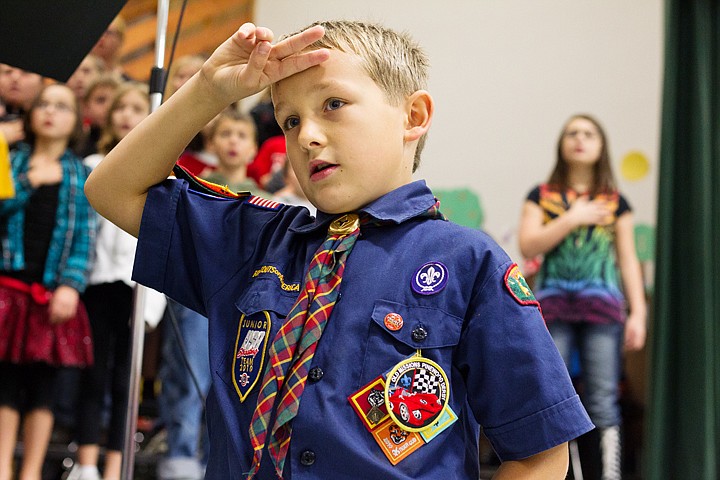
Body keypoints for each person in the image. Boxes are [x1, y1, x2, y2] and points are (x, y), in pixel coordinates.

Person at [85, 21, 594, 479]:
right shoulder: (256, 239)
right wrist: (207, 93)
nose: (306, 135)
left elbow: (540, 454)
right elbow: (111, 189)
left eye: (333, 105)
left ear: (413, 116)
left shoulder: (468, 261)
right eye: (288, 121)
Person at [517, 114, 647, 480]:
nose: (580, 139)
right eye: (572, 132)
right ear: (561, 143)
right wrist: (572, 218)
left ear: (601, 145)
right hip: (553, 309)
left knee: (604, 400)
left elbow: (628, 260)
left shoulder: (615, 202)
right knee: (552, 398)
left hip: (603, 312)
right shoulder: (540, 196)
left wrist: (637, 312)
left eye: (589, 133)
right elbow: (529, 243)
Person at [0, 83, 95, 480]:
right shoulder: (14, 161)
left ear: (76, 120)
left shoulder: (82, 173)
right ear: (31, 114)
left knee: (44, 384)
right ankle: (2, 464)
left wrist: (71, 285)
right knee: (5, 379)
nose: (51, 113)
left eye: (62, 107)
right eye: (43, 105)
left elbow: (84, 238)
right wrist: (28, 182)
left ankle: (32, 470)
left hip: (52, 291)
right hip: (8, 286)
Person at [65, 83, 151, 480]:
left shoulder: (156, 169)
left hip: (138, 288)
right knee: (93, 374)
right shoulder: (93, 164)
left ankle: (116, 466)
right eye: (120, 107)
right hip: (98, 284)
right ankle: (85, 464)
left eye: (137, 108)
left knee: (125, 380)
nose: (127, 116)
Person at [200, 109, 266, 195]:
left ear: (253, 149)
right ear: (210, 144)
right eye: (225, 134)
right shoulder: (194, 190)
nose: (233, 140)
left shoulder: (264, 201)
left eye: (242, 136)